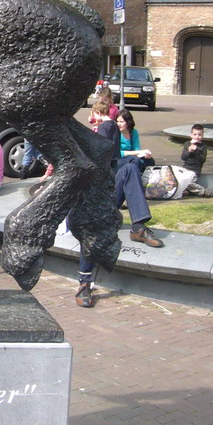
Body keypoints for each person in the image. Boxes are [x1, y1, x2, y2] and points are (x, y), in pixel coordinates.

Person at [75, 104, 164, 308]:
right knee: (92, 227)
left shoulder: (112, 149)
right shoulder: (86, 151)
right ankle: (84, 283)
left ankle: (138, 226)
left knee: (132, 167)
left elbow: (121, 161)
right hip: (90, 204)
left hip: (108, 194)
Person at [180, 123, 212, 196]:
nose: (197, 137)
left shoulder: (203, 147)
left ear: (203, 135)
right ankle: (187, 191)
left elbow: (202, 160)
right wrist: (189, 151)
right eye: (195, 134)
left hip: (195, 169)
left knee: (188, 182)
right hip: (185, 168)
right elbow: (183, 157)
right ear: (191, 135)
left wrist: (196, 150)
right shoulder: (187, 144)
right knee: (179, 179)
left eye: (199, 135)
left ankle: (203, 191)